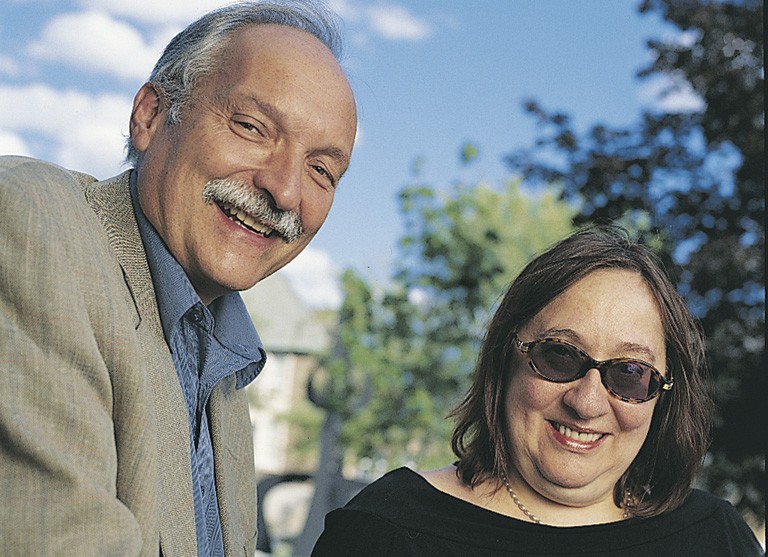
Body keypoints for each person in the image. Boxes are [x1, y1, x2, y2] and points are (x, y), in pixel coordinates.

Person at [0, 1, 356, 555]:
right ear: (149, 116)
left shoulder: (224, 361)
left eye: (322, 171)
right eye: (252, 127)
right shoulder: (34, 222)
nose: (285, 191)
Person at [312, 226, 764, 556]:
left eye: (629, 373)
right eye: (560, 355)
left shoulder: (716, 539)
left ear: (663, 394)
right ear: (505, 358)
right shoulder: (382, 532)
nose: (586, 403)